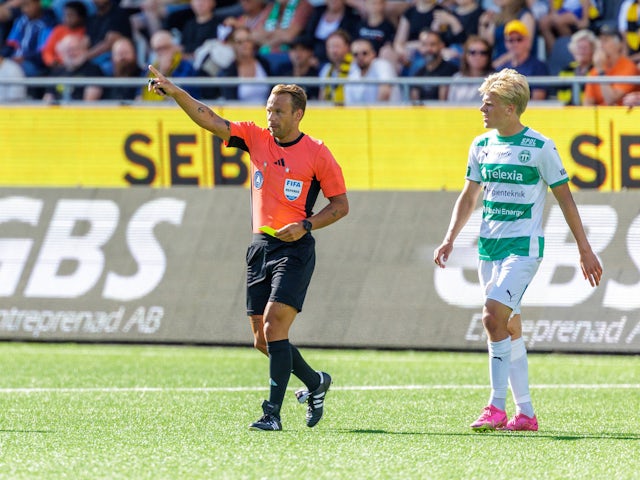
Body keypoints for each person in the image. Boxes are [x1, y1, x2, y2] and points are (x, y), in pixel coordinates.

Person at [147, 67, 349, 431]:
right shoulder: (255, 138)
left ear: (298, 114)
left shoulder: (318, 154)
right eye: (269, 109)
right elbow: (209, 119)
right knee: (262, 339)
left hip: (295, 248)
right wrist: (177, 93)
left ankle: (272, 413)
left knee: (274, 326)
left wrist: (305, 224)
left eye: (278, 111)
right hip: (259, 248)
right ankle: (316, 382)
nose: (270, 117)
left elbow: (340, 205)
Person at [433, 68, 602, 432]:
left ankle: (495, 406)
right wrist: (450, 238)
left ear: (510, 108)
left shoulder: (540, 147)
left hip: (523, 249)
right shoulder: (481, 145)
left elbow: (566, 200)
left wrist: (584, 249)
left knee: (491, 317)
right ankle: (525, 414)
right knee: (508, 326)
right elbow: (468, 197)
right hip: (488, 249)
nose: (482, 108)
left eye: (489, 103)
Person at [582, 27, 638, 106]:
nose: (601, 45)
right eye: (599, 40)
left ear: (619, 45)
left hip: (621, 116)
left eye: (605, 40)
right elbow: (587, 103)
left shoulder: (628, 67)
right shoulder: (595, 70)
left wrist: (601, 72)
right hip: (600, 116)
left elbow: (611, 100)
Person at [1, 0, 57, 77]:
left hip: (32, 63)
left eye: (28, 5)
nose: (25, 10)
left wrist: (24, 58)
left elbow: (42, 51)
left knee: (15, 71)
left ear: (37, 4)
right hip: (13, 59)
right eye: (23, 6)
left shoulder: (47, 24)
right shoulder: (20, 21)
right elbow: (11, 44)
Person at [140, 29, 200, 101]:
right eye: (157, 49)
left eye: (165, 48)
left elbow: (186, 96)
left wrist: (165, 73)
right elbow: (139, 95)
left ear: (174, 46)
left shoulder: (186, 66)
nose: (161, 52)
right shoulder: (149, 69)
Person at [217, 25, 272, 102]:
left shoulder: (264, 63)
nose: (245, 44)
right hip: (240, 113)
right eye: (240, 42)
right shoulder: (228, 72)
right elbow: (230, 101)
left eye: (248, 40)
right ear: (233, 45)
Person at [43, 34, 103, 103]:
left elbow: (89, 102)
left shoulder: (93, 70)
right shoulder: (56, 72)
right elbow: (48, 98)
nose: (72, 53)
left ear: (84, 49)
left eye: (75, 49)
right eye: (68, 50)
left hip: (80, 112)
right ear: (62, 53)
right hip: (57, 112)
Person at [499, 19, 549, 100]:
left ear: (527, 41)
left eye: (519, 39)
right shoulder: (502, 68)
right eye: (511, 40)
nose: (515, 44)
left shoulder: (538, 67)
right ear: (505, 43)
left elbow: (538, 100)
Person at [345, 36, 401, 104]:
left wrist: (374, 113)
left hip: (391, 112)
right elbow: (350, 105)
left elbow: (385, 92)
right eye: (356, 54)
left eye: (364, 53)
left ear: (373, 54)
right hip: (366, 113)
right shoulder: (352, 74)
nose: (360, 57)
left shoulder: (382, 65)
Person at [302, 0, 360, 65]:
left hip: (338, 57)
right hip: (313, 55)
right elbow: (308, 35)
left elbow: (351, 40)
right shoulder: (318, 11)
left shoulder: (351, 17)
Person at [409, 29, 459, 102]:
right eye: (424, 45)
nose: (428, 49)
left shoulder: (452, 71)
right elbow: (414, 102)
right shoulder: (418, 73)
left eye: (432, 44)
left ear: (441, 45)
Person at [41, 0, 88, 69]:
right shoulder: (59, 30)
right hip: (57, 67)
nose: (67, 18)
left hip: (77, 66)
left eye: (71, 15)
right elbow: (47, 51)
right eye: (65, 15)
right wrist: (52, 61)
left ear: (81, 17)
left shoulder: (85, 31)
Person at [447, 35, 494, 103]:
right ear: (465, 55)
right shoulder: (457, 78)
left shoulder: (495, 80)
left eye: (483, 53)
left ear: (488, 56)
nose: (478, 56)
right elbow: (450, 105)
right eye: (472, 52)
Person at [555, 28, 596, 105]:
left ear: (592, 50)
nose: (582, 51)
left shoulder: (596, 70)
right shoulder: (566, 70)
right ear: (573, 50)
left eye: (585, 48)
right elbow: (562, 96)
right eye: (579, 48)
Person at [274, 34, 320, 99]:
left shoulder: (316, 74)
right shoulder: (282, 71)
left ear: (310, 53)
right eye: (294, 49)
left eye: (302, 49)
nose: (298, 53)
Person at [102, 36, 144, 101]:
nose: (123, 58)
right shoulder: (105, 80)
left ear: (134, 55)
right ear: (112, 57)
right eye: (119, 54)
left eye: (126, 53)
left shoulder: (144, 76)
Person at [318, 28, 353, 103]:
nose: (333, 51)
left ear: (347, 47)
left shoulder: (355, 67)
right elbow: (321, 98)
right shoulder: (326, 69)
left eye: (337, 46)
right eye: (330, 46)